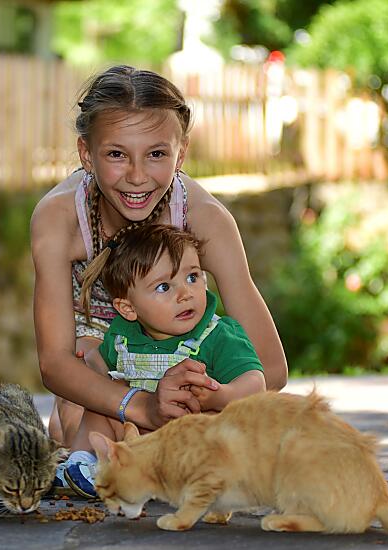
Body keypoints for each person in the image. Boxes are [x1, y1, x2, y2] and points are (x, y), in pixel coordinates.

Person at [30, 64, 287, 451]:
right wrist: (144, 406)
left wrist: (204, 393)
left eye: (156, 154)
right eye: (117, 154)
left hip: (182, 346)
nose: (137, 176)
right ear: (87, 154)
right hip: (102, 355)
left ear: (181, 154)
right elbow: (54, 363)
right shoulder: (60, 219)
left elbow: (271, 368)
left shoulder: (204, 220)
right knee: (81, 434)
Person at [60, 224, 266, 498]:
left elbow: (256, 383)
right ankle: (84, 461)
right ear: (128, 308)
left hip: (188, 439)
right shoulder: (122, 337)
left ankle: (189, 478)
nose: (185, 293)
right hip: (139, 436)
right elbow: (103, 367)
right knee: (100, 407)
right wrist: (90, 367)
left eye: (192, 277)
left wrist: (220, 395)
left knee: (214, 424)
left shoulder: (217, 335)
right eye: (164, 286)